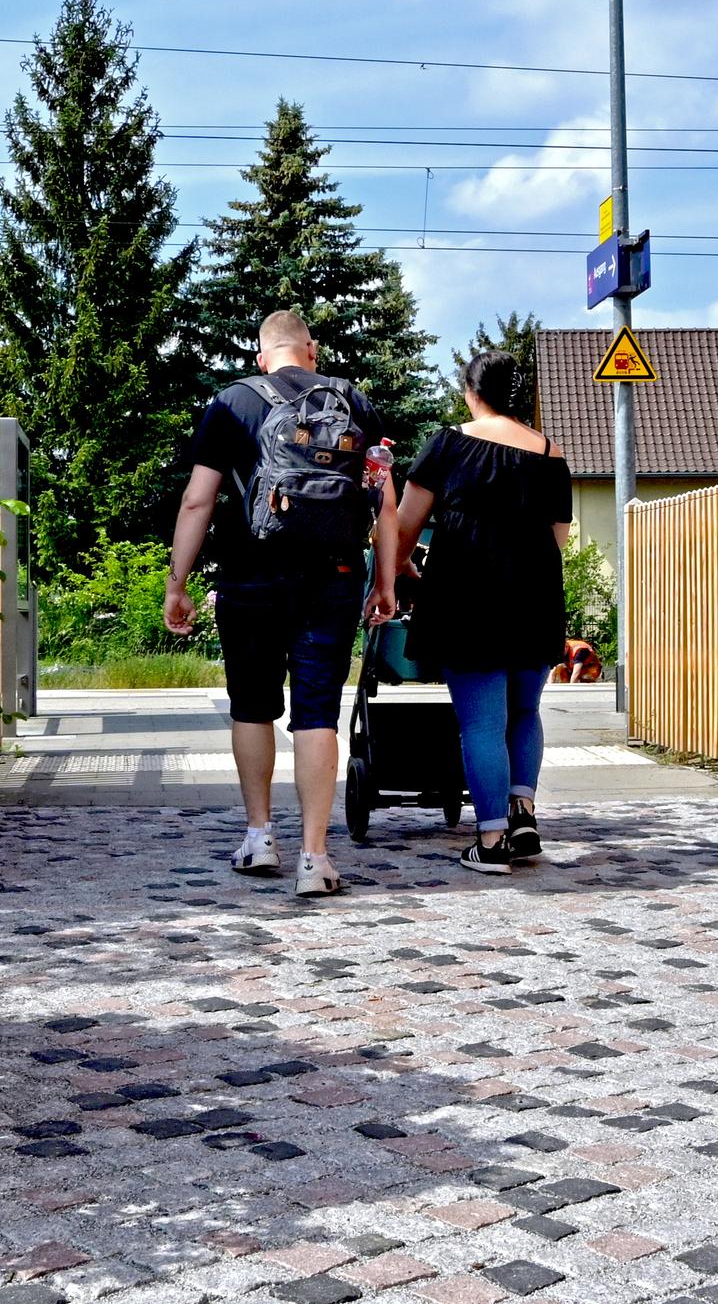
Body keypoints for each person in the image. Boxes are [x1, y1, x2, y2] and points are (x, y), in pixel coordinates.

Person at [166, 312, 387, 898]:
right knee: (317, 714)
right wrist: (385, 581)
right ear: (310, 351)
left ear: (262, 356)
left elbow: (197, 502)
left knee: (252, 707)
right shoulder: (353, 403)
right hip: (334, 578)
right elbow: (382, 501)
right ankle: (315, 857)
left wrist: (176, 583)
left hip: (249, 579)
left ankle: (259, 836)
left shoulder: (231, 403)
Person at [377, 348, 574, 873]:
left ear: (471, 391)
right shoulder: (552, 455)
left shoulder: (447, 444)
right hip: (534, 599)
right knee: (524, 711)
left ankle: (490, 843)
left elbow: (406, 523)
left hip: (467, 598)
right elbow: (557, 539)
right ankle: (522, 810)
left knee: (481, 723)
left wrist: (400, 572)